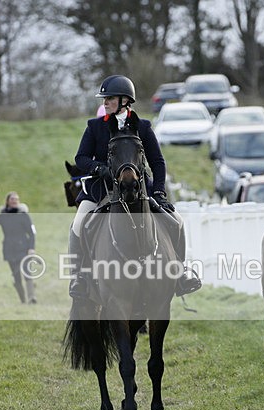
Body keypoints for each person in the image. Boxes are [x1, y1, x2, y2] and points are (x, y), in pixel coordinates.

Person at [68, 74, 201, 298]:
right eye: (104, 99)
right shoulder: (95, 126)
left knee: (177, 221)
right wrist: (100, 168)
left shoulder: (143, 127)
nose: (105, 103)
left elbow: (157, 162)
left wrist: (158, 191)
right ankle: (79, 276)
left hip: (139, 189)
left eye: (109, 99)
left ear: (124, 101)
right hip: (102, 190)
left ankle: (180, 272)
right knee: (78, 224)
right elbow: (80, 158)